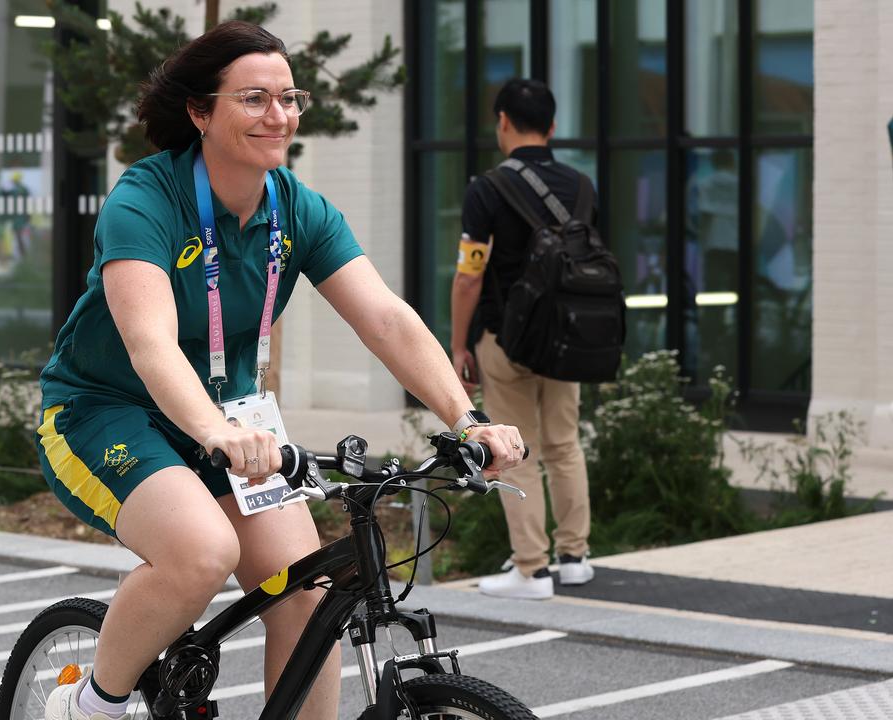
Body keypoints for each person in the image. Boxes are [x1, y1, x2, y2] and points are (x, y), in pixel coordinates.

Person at [36, 21, 527, 720]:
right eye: (255, 99)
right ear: (200, 113)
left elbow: (384, 319)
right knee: (202, 553)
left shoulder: (295, 208)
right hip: (106, 410)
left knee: (306, 592)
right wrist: (216, 431)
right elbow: (151, 346)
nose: (280, 116)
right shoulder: (145, 201)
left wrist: (467, 418)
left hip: (229, 422)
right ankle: (91, 703)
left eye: (289, 98)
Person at [450, 78, 596, 601]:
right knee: (564, 443)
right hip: (567, 340)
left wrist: (459, 343)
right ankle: (574, 558)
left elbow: (470, 274)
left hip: (506, 338)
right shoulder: (581, 186)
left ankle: (532, 570)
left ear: (503, 122)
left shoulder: (487, 189)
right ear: (553, 127)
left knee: (518, 449)